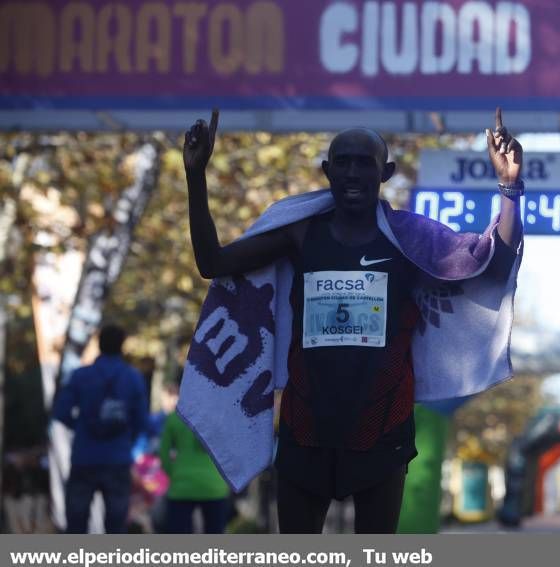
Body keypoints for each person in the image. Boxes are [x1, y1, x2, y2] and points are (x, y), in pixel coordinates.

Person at [182, 108, 523, 533]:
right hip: (305, 429)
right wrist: (195, 177)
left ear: (386, 172)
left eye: (364, 162)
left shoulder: (408, 239)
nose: (352, 172)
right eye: (342, 162)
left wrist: (509, 187)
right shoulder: (301, 233)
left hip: (383, 428)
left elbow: (493, 262)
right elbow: (212, 262)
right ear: (327, 171)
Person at [52, 324, 148, 533]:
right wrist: (126, 438)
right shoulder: (133, 378)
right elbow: (142, 421)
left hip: (84, 457)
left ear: (99, 345)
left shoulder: (80, 376)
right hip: (118, 458)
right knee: (116, 526)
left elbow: (60, 412)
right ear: (122, 346)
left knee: (76, 524)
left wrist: (80, 427)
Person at [159, 383, 230, 534]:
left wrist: (174, 473)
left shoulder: (174, 418)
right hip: (214, 485)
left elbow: (163, 453)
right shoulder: (219, 418)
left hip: (181, 485)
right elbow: (230, 451)